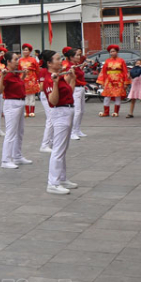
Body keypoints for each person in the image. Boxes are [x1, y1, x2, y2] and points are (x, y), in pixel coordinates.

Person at [40, 50, 78, 195]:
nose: (60, 61)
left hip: (67, 111)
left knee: (63, 148)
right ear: (49, 63)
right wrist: (55, 84)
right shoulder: (51, 79)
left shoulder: (60, 77)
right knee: (58, 149)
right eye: (57, 59)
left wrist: (72, 79)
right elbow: (53, 101)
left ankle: (61, 178)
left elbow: (69, 93)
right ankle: (53, 183)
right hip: (60, 113)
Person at [0, 51, 33, 170]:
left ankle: (17, 156)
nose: (18, 62)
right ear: (8, 62)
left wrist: (23, 76)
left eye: (18, 59)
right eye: (15, 60)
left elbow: (18, 85)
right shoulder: (6, 74)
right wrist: (2, 76)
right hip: (12, 104)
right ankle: (5, 160)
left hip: (20, 103)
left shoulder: (16, 74)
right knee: (11, 132)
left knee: (20, 131)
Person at [97, 44, 131, 117]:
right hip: (109, 81)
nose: (112, 53)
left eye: (113, 51)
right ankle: (106, 112)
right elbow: (103, 71)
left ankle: (116, 112)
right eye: (110, 52)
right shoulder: (107, 61)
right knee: (107, 96)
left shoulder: (121, 61)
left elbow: (125, 72)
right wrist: (102, 82)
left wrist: (126, 82)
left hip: (119, 81)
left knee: (117, 96)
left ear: (117, 52)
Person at [65, 49, 87, 139]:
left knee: (81, 111)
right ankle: (72, 132)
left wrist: (81, 67)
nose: (79, 57)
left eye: (79, 55)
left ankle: (77, 129)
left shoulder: (76, 65)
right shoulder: (70, 66)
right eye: (77, 55)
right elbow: (72, 78)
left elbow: (79, 75)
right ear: (71, 57)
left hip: (81, 88)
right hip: (76, 89)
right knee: (77, 111)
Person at [19, 44, 40, 117]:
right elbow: (18, 70)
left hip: (32, 79)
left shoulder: (33, 60)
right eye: (24, 50)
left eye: (26, 50)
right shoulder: (20, 60)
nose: (25, 51)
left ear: (30, 51)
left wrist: (37, 78)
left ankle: (32, 111)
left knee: (32, 96)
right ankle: (27, 111)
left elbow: (37, 70)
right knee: (25, 96)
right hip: (23, 79)